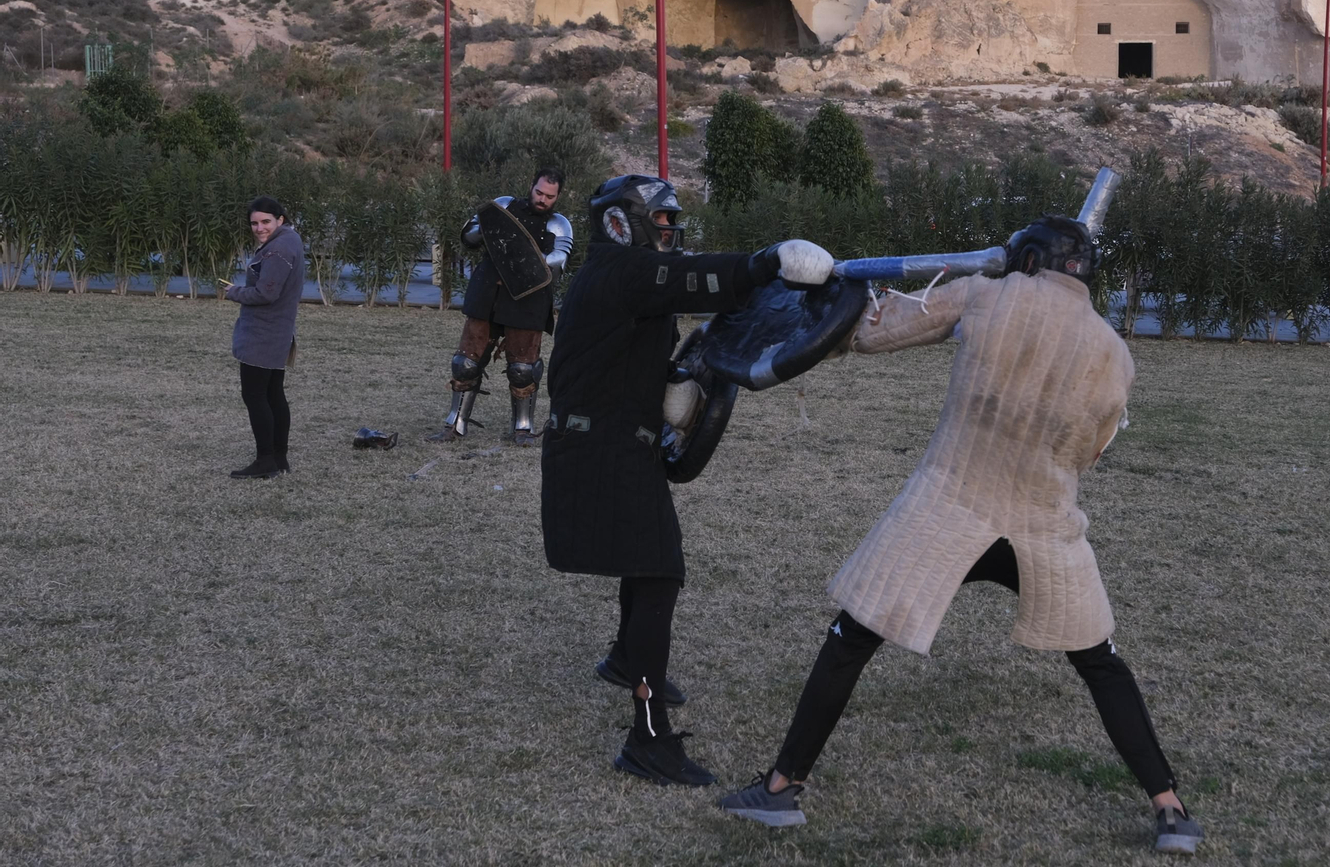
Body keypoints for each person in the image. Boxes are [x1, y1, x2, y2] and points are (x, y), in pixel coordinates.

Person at [718, 214, 1205, 856]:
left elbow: (868, 332)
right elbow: (1092, 451)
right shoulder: (1116, 353)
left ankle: (780, 787)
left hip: (952, 502)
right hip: (1044, 519)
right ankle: (1170, 808)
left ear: (1026, 259)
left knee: (852, 637)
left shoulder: (984, 292)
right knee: (1100, 662)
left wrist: (832, 294)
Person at [541, 173, 834, 787]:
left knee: (647, 560)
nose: (671, 229)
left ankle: (626, 659)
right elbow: (693, 278)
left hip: (612, 439)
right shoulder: (620, 270)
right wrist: (765, 262)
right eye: (662, 218)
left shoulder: (623, 276)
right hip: (601, 446)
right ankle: (647, 739)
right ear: (622, 222)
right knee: (659, 570)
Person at [427, 168, 572, 447]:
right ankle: (454, 425)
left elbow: (555, 266)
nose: (542, 199)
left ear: (558, 197)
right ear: (531, 186)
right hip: (488, 293)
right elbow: (468, 237)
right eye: (539, 192)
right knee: (466, 363)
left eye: (549, 197)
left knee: (523, 369)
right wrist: (488, 229)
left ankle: (523, 429)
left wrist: (525, 257)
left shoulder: (559, 225)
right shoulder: (504, 205)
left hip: (528, 299)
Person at [224, 195, 305, 480]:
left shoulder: (277, 249)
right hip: (278, 329)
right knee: (273, 394)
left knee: (255, 395)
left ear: (280, 220)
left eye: (266, 222)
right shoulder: (290, 240)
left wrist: (234, 292)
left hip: (264, 332)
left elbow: (266, 293)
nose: (259, 228)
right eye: (254, 223)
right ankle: (278, 457)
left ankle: (266, 460)